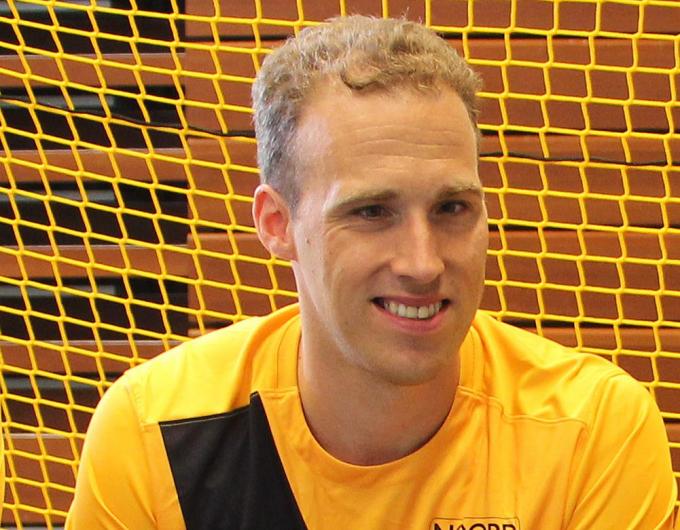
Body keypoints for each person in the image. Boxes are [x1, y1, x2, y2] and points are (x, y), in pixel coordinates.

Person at [66, 16, 677, 530]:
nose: (422, 262)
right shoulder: (154, 433)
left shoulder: (592, 431)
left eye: (451, 208)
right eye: (371, 212)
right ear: (277, 225)